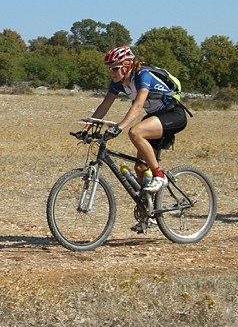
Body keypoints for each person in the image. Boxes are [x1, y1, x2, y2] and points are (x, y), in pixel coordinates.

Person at [77, 45, 187, 229]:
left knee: (135, 132)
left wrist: (120, 127)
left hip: (173, 115)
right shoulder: (118, 82)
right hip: (154, 118)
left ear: (127, 65)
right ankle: (149, 213)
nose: (111, 72)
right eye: (109, 69)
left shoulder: (142, 76)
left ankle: (160, 176)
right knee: (140, 167)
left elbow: (138, 105)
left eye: (115, 68)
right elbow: (105, 105)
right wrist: (87, 128)